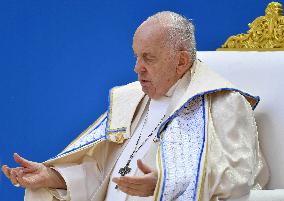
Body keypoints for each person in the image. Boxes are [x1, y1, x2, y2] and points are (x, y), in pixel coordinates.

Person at [2, 11, 269, 201]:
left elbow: (240, 177)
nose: (137, 68)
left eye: (148, 58)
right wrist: (52, 176)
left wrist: (165, 185)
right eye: (136, 56)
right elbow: (104, 175)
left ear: (181, 61)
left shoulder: (222, 103)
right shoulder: (134, 99)